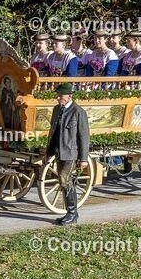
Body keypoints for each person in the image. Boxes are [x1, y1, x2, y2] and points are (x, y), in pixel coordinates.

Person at [43, 83, 90, 226]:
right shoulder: (57, 110)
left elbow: (83, 136)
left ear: (69, 96)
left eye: (60, 96)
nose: (58, 98)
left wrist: (83, 158)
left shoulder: (78, 112)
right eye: (57, 95)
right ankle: (69, 214)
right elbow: (53, 133)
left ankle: (72, 214)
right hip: (59, 151)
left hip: (71, 153)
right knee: (62, 181)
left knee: (65, 180)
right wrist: (48, 153)